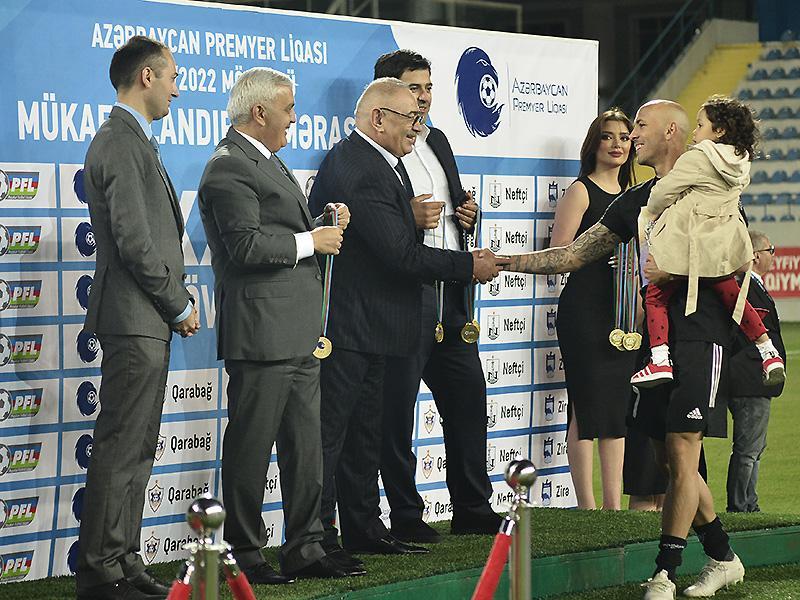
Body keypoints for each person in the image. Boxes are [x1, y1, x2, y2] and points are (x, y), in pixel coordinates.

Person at [505, 100, 744, 600]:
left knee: (682, 449)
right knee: (668, 458)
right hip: (654, 342)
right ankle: (723, 556)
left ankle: (664, 573)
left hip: (702, 334)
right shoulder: (638, 198)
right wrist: (503, 262)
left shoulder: (713, 187)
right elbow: (574, 254)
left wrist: (674, 272)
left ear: (671, 131)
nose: (632, 136)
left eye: (640, 126)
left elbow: (733, 262)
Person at [307, 78, 505, 571]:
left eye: (420, 117)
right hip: (351, 327)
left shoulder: (379, 164)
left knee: (364, 437)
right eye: (409, 118)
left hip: (375, 326)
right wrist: (467, 266)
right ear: (378, 118)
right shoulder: (358, 167)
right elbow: (399, 254)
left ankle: (363, 528)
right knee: (332, 439)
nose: (418, 127)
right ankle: (320, 539)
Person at [198, 67, 355, 582]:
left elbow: (279, 232)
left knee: (304, 449)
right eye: (288, 109)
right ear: (259, 111)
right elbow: (245, 246)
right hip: (262, 333)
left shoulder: (268, 161)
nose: (294, 118)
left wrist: (320, 225)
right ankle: (242, 554)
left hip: (298, 330)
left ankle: (305, 547)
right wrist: (312, 241)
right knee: (251, 448)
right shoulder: (228, 167)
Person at [77, 36, 200, 600]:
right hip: (135, 317)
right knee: (122, 445)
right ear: (147, 77)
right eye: (172, 77)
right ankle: (101, 571)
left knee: (139, 446)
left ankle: (124, 560)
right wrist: (177, 303)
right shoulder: (119, 141)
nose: (177, 89)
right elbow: (134, 241)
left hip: (143, 319)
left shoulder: (133, 140)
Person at [372, 50, 501, 542]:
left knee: (468, 402)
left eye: (428, 87)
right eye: (414, 88)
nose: (424, 97)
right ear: (388, 95)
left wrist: (468, 215)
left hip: (452, 295)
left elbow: (453, 204)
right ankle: (406, 515)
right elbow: (380, 219)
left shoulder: (438, 139)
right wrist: (407, 216)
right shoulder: (381, 149)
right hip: (405, 297)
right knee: (396, 412)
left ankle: (473, 507)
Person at [631, 96, 785, 388]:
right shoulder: (741, 162)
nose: (695, 132)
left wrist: (652, 209)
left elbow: (664, 190)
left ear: (719, 131)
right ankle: (768, 351)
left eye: (701, 125)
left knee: (655, 295)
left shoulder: (698, 157)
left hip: (690, 243)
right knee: (733, 296)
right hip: (721, 246)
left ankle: (659, 360)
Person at [550, 108, 636, 510]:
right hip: (585, 309)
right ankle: (586, 505)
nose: (617, 144)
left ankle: (613, 506)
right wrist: (601, 252)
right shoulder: (581, 191)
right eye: (608, 136)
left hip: (625, 312)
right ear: (594, 144)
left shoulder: (636, 195)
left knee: (617, 406)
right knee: (584, 404)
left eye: (624, 137)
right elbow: (559, 252)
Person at [726, 230, 786, 513]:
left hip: (753, 379)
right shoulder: (746, 287)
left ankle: (749, 504)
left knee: (754, 449)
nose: (774, 255)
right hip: (750, 379)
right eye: (770, 250)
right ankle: (741, 507)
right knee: (748, 450)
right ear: (756, 255)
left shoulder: (751, 286)